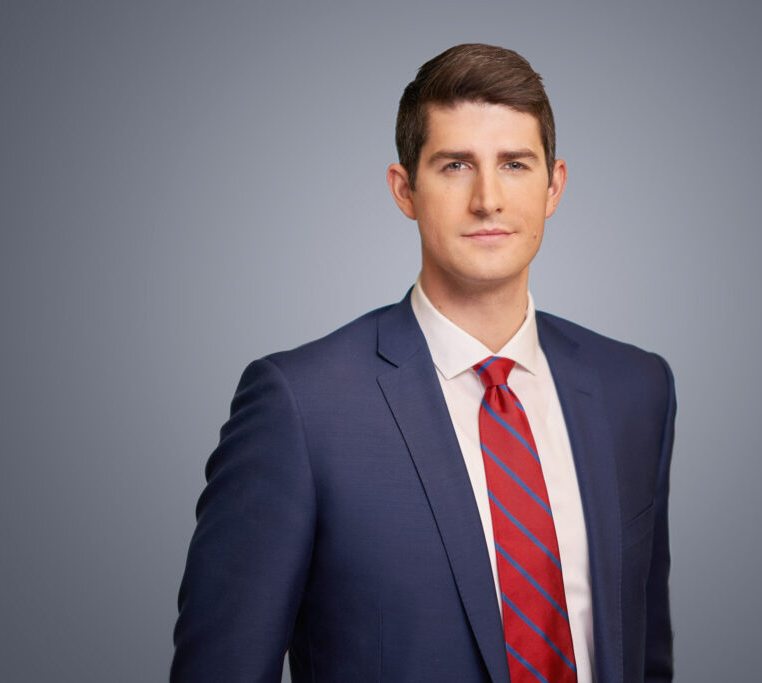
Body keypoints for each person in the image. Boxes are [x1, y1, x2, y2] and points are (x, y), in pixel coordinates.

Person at [171, 43, 676, 683]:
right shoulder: (300, 408)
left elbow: (645, 653)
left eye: (515, 164)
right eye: (456, 165)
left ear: (555, 186)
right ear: (404, 190)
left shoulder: (635, 388)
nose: (488, 198)